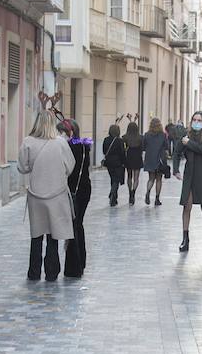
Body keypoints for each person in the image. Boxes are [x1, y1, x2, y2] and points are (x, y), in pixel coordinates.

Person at [18, 109, 75, 281]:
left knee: (36, 235)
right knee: (53, 235)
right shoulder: (61, 143)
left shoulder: (28, 142)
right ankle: (52, 272)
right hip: (57, 195)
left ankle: (34, 272)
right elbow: (70, 166)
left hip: (36, 196)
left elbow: (22, 167)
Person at [178, 111, 202, 252]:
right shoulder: (188, 134)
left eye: (199, 120)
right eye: (194, 119)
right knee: (186, 206)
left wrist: (189, 143)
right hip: (190, 174)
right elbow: (177, 150)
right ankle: (185, 238)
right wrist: (175, 169)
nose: (196, 122)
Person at [61, 117, 94, 278]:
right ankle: (80, 262)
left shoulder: (68, 148)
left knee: (73, 227)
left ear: (70, 132)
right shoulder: (83, 147)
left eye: (62, 132)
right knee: (78, 225)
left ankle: (74, 267)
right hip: (84, 189)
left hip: (73, 190)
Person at [141, 118, 170, 207]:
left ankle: (148, 192)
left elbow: (143, 147)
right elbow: (166, 146)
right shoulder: (163, 135)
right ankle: (157, 199)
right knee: (159, 179)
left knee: (151, 178)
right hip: (160, 160)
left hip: (150, 159)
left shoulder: (146, 135)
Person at [102, 123, 127, 206]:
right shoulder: (120, 141)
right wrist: (124, 162)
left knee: (112, 178)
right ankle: (112, 194)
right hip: (118, 162)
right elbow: (122, 152)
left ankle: (114, 197)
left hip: (109, 163)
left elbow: (104, 151)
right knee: (116, 180)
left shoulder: (106, 139)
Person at [123, 121, 145, 205]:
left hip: (129, 158)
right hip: (137, 158)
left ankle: (129, 192)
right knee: (136, 178)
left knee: (129, 176)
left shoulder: (125, 137)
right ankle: (133, 192)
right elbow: (143, 148)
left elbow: (123, 148)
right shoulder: (140, 138)